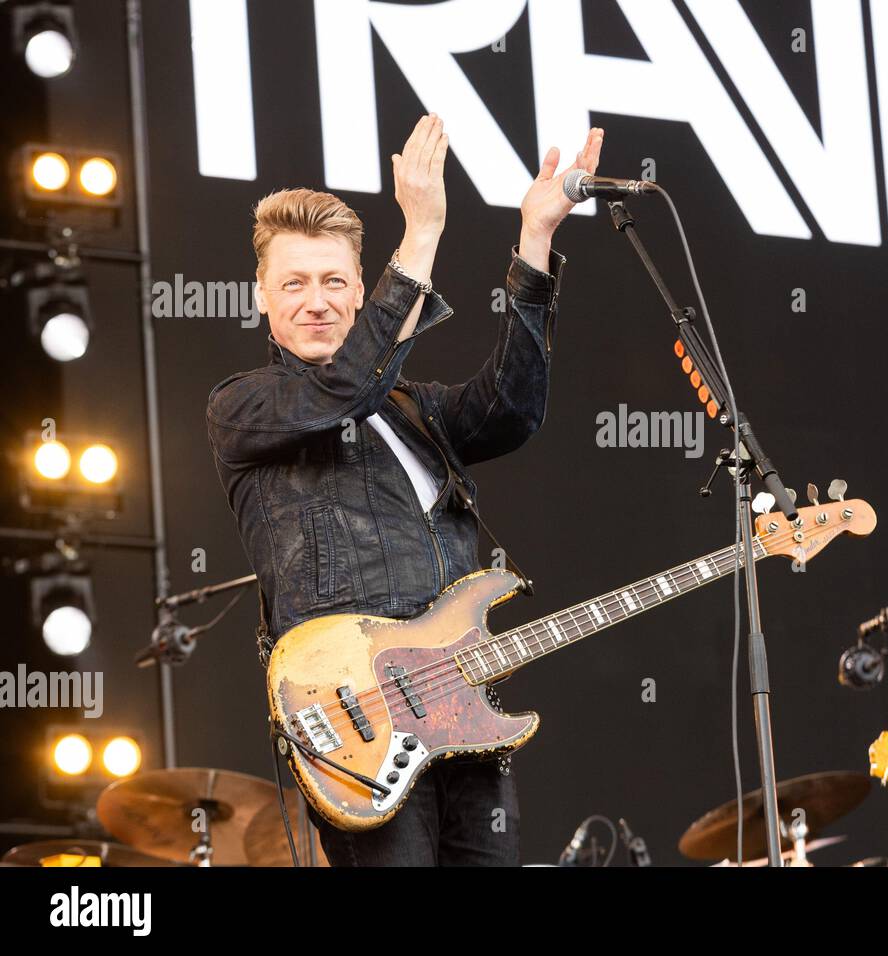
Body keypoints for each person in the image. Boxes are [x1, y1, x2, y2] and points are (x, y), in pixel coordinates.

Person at [206, 114, 604, 865]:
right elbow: (342, 389)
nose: (316, 300)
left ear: (361, 292)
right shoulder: (243, 406)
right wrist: (419, 235)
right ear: (262, 296)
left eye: (334, 281)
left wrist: (534, 244)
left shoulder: (415, 407)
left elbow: (512, 410)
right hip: (359, 720)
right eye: (293, 284)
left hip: (461, 711)